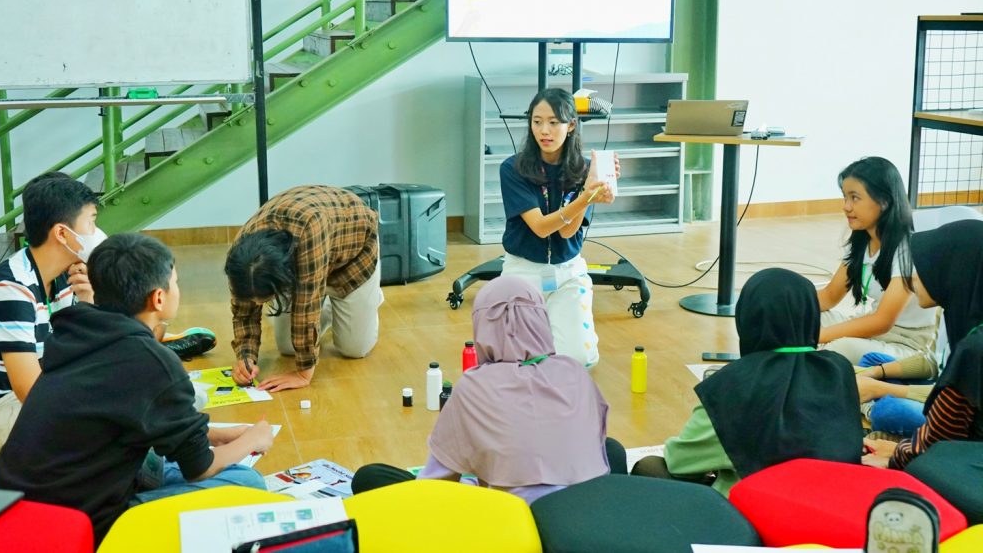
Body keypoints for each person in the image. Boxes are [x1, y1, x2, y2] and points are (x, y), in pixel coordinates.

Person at [0, 233, 272, 543]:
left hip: (20, 501)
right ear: (159, 298)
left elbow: (124, 417)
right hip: (87, 520)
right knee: (247, 484)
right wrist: (252, 439)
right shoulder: (154, 363)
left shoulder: (73, 330)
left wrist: (219, 435)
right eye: (175, 282)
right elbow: (200, 468)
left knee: (218, 472)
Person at [351, 276, 625, 501]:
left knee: (371, 477)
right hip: (582, 514)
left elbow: (435, 485)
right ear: (541, 319)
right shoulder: (575, 372)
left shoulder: (474, 385)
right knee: (611, 448)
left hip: (510, 523)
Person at [634, 268, 863, 496]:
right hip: (832, 511)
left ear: (746, 318)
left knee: (649, 467)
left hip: (756, 518)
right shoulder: (839, 370)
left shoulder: (731, 384)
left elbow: (679, 462)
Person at [0, 171, 102, 464]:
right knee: (100, 427)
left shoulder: (62, 277)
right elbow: (31, 392)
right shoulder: (10, 290)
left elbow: (76, 355)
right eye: (92, 221)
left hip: (24, 399)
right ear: (62, 233)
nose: (96, 231)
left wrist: (87, 302)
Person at [498, 87, 617, 367]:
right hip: (522, 271)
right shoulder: (512, 168)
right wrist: (586, 197)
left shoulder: (584, 169)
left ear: (571, 124)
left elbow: (566, 232)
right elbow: (540, 227)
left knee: (577, 361)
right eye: (537, 121)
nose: (545, 131)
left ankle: (570, 328)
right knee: (520, 362)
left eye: (554, 122)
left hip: (568, 273)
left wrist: (592, 189)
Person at [225, 185, 382, 391]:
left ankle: (370, 298)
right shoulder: (242, 258)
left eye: (263, 299)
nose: (256, 305)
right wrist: (246, 356)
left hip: (352, 257)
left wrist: (303, 373)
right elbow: (243, 312)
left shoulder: (310, 227)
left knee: (354, 348)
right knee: (288, 347)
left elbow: (306, 306)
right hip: (301, 265)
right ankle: (327, 306)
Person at [862, 219, 983, 469]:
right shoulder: (957, 311)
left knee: (889, 409)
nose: (913, 277)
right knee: (871, 362)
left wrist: (897, 453)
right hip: (948, 417)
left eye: (926, 268)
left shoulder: (973, 350)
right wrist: (876, 374)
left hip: (966, 457)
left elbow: (938, 439)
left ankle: (871, 408)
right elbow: (932, 364)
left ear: (952, 272)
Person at [817, 157, 937, 364]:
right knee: (798, 319)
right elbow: (829, 296)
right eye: (845, 197)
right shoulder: (862, 241)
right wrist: (787, 304)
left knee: (839, 348)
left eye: (855, 198)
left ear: (884, 201)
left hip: (908, 347)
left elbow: (882, 322)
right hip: (873, 336)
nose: (846, 207)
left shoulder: (906, 250)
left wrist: (819, 336)